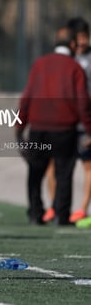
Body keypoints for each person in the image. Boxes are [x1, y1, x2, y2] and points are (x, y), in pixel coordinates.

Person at [16, 26, 91, 225]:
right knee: (64, 172)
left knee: (35, 171)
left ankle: (35, 212)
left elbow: (27, 97)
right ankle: (61, 214)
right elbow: (83, 104)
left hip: (38, 128)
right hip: (64, 129)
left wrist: (19, 127)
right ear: (73, 44)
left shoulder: (40, 64)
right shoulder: (75, 68)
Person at [43, 17, 91, 223]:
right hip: (61, 123)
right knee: (52, 164)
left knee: (88, 165)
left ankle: (81, 209)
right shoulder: (61, 60)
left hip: (84, 124)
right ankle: (55, 207)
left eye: (84, 37)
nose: (81, 42)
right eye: (77, 38)